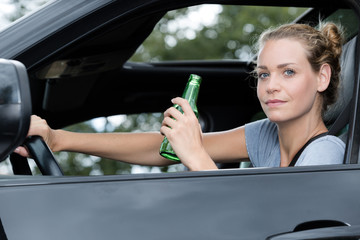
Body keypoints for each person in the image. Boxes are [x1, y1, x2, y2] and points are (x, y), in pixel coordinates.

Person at [15, 22, 346, 170]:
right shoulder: (265, 136)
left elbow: (271, 224)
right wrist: (58, 139)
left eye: (288, 72)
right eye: (263, 74)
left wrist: (197, 157)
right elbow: (163, 149)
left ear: (322, 76)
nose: (271, 85)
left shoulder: (325, 155)